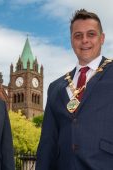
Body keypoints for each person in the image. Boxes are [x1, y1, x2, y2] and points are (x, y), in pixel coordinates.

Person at [36, 9, 113, 170]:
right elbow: (48, 142)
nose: (84, 40)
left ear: (102, 38)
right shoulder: (56, 87)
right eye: (78, 36)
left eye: (91, 34)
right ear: (71, 41)